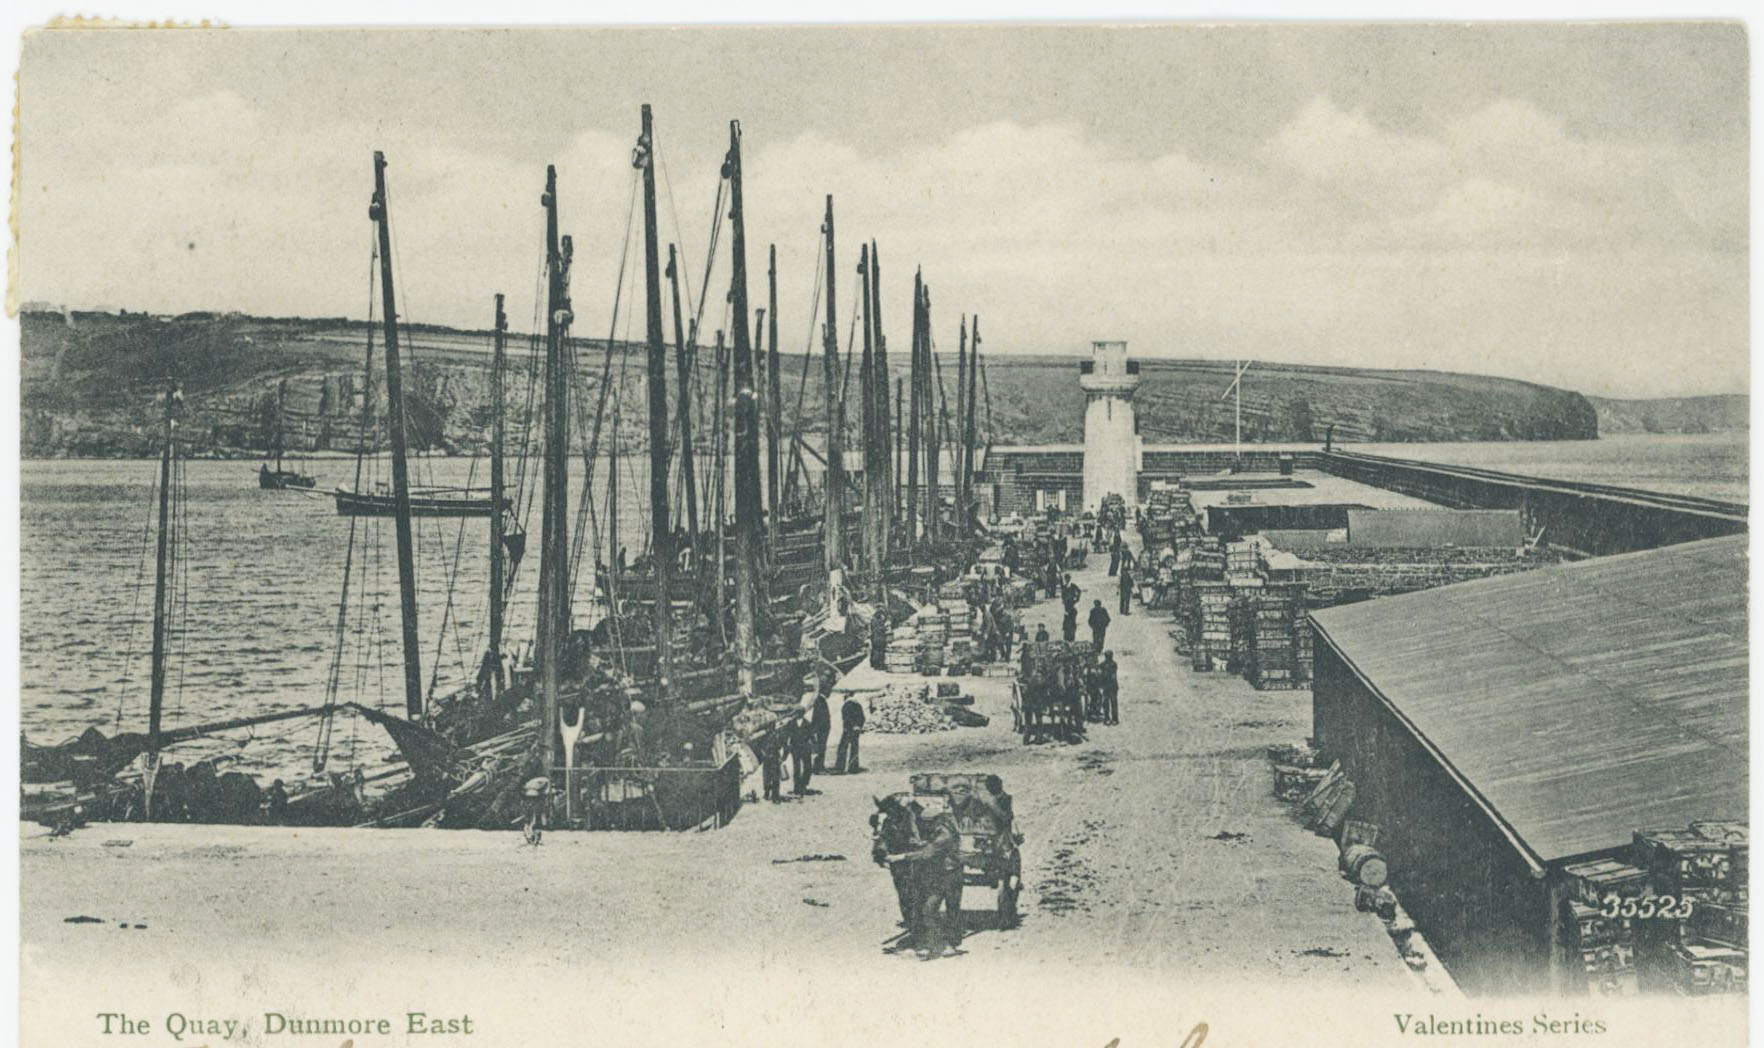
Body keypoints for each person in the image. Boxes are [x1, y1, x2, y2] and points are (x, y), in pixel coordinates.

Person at [888, 802, 963, 960]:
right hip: (936, 875)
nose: (924, 825)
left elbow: (928, 852)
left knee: (939, 909)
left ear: (936, 820)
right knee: (924, 908)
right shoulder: (935, 830)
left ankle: (947, 944)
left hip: (949, 876)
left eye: (927, 822)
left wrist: (901, 857)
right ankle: (932, 943)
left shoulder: (945, 835)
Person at [836, 694, 866, 774]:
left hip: (848, 729)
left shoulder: (846, 705)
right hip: (856, 730)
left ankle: (840, 767)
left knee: (843, 747)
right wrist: (858, 726)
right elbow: (862, 717)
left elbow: (846, 718)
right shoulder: (858, 705)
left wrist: (850, 726)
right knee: (854, 748)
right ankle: (853, 767)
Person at [789, 717, 814, 796]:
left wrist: (815, 747)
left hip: (805, 747)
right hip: (796, 748)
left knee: (808, 767)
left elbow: (811, 735)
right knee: (797, 768)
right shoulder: (791, 723)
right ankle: (797, 787)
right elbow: (787, 735)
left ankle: (803, 784)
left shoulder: (807, 723)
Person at [810, 691, 832, 773]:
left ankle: (818, 766)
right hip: (822, 729)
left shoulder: (820, 700)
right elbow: (818, 716)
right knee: (821, 748)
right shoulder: (820, 701)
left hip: (821, 729)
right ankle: (818, 767)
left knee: (820, 748)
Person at [760, 733, 784, 802]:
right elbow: (759, 746)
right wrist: (763, 754)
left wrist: (782, 758)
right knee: (767, 777)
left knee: (775, 777)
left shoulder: (778, 735)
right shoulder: (763, 735)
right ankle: (767, 792)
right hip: (767, 758)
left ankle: (775, 796)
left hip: (775, 757)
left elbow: (784, 745)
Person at [1100, 651, 1120, 725]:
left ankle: (1111, 718)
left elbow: (1112, 676)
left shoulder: (1111, 664)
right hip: (1110, 686)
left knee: (1111, 702)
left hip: (1110, 686)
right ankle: (1110, 718)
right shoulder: (1112, 664)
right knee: (1109, 703)